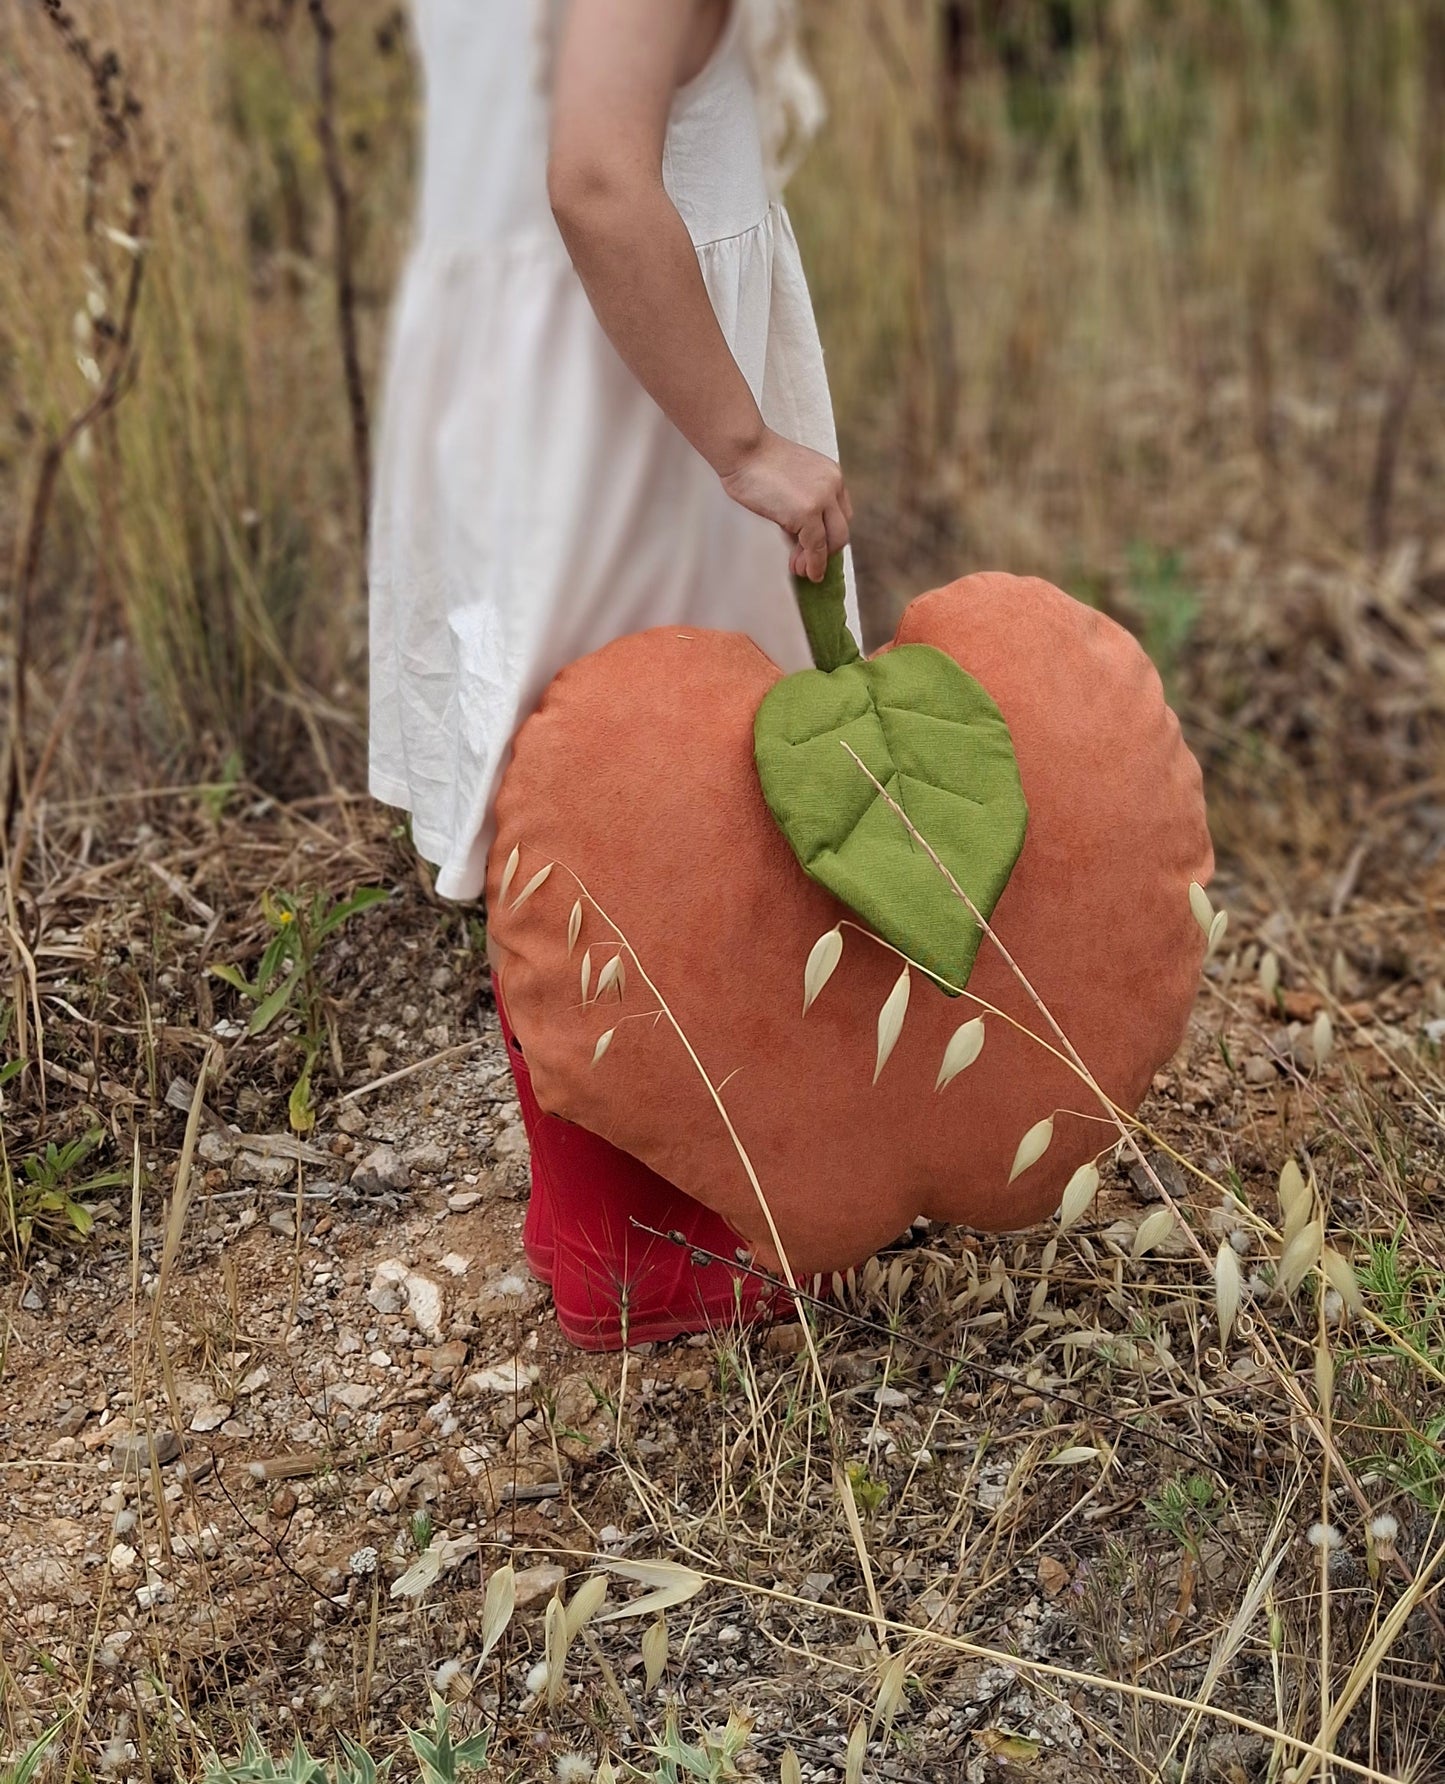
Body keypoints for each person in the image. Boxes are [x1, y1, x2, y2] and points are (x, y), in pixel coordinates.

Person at [369, 0, 855, 1348]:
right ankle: (647, 1239)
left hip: (530, 350)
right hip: (630, 379)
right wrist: (742, 440)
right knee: (656, 764)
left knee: (569, 750)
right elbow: (595, 173)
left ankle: (612, 1216)